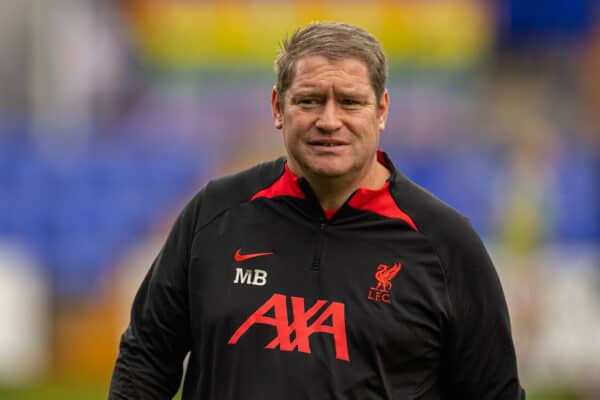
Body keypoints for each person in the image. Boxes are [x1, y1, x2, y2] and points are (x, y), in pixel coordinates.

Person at [109, 22, 525, 399]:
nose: (329, 120)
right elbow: (145, 361)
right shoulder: (215, 214)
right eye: (309, 101)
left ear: (381, 110)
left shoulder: (446, 245)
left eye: (349, 102)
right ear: (277, 107)